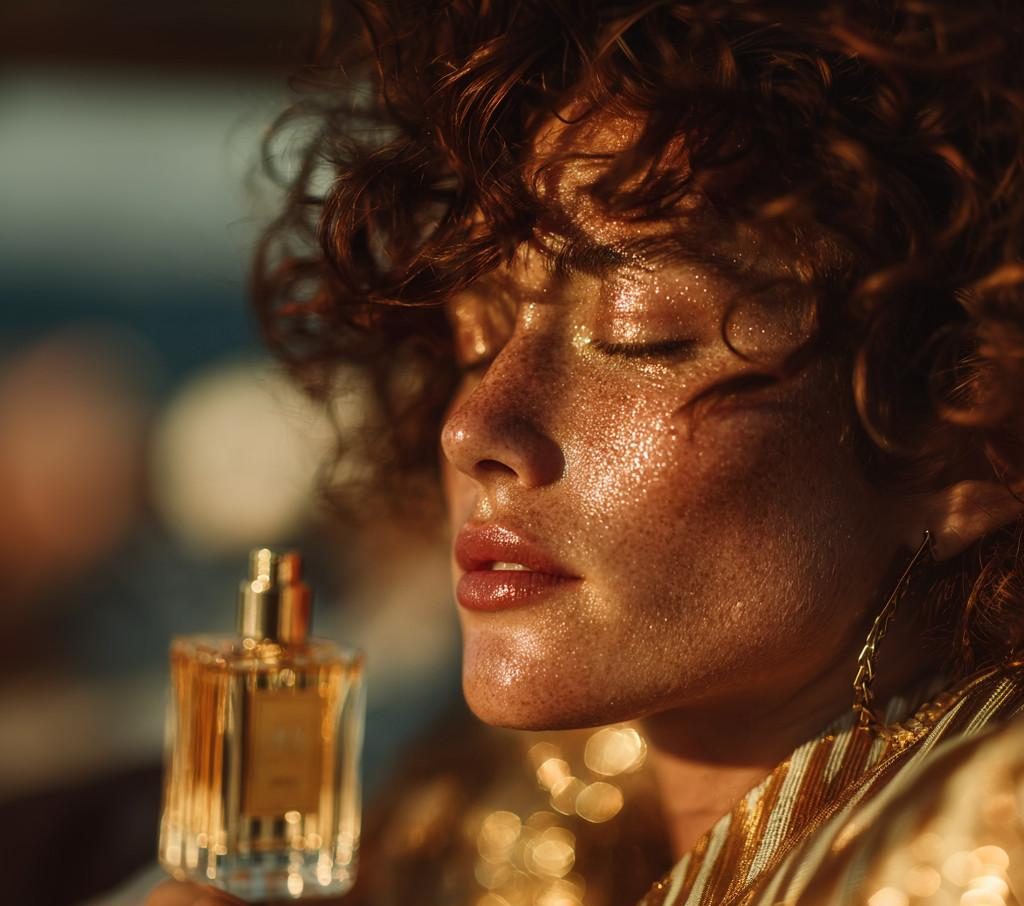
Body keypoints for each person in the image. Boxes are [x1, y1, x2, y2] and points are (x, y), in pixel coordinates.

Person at [144, 1, 1024, 903]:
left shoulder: (986, 845)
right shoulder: (490, 825)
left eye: (642, 335)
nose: (470, 428)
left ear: (964, 434)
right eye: (475, 340)